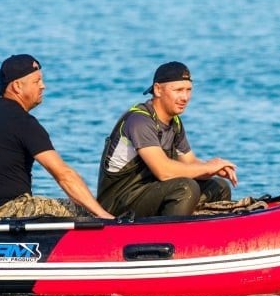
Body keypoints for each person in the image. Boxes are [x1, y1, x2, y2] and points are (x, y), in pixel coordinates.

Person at [0, 54, 113, 219]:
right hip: (9, 212)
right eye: (36, 81)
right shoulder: (23, 122)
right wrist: (102, 215)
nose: (43, 86)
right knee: (86, 209)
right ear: (17, 86)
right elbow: (63, 174)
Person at [97, 61, 236, 218]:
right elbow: (164, 171)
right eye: (178, 90)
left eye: (188, 90)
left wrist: (213, 168)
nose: (185, 97)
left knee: (219, 186)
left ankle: (210, 231)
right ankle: (172, 232)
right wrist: (207, 168)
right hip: (117, 203)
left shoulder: (174, 122)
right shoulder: (139, 121)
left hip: (149, 191)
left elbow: (189, 162)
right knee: (185, 188)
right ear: (158, 89)